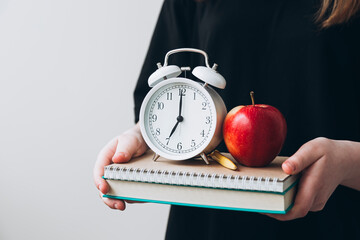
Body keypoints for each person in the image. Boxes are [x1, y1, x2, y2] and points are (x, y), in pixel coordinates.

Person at [94, 0, 360, 239]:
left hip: (329, 223)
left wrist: (348, 161)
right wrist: (143, 136)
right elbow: (162, 95)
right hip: (206, 226)